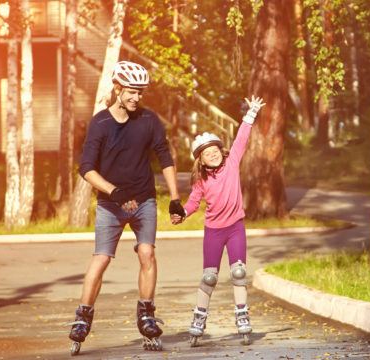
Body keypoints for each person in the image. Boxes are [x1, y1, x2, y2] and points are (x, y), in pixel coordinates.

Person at [68, 61, 186, 354]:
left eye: (140, 93)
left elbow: (165, 158)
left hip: (144, 199)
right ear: (118, 89)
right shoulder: (101, 123)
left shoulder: (148, 120)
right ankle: (83, 316)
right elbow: (86, 169)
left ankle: (146, 314)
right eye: (132, 91)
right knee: (102, 258)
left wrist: (174, 198)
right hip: (111, 203)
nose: (136, 98)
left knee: (147, 252)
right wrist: (114, 191)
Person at [170, 95, 265, 346]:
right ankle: (199, 319)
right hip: (213, 231)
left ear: (221, 152)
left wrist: (251, 114)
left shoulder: (232, 163)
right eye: (206, 153)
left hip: (235, 228)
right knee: (209, 277)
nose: (212, 155)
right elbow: (192, 203)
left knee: (239, 272)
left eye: (214, 151)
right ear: (200, 160)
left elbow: (242, 139)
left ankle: (242, 315)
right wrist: (182, 213)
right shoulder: (201, 181)